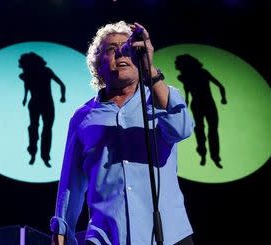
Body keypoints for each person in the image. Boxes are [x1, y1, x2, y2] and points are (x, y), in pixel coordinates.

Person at [50, 21, 195, 245]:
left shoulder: (160, 98)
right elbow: (71, 183)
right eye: (111, 49)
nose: (121, 52)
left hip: (168, 235)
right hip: (107, 237)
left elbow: (182, 128)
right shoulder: (83, 118)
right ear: (98, 65)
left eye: (127, 47)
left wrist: (151, 70)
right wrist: (61, 232)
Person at [175, 54, 227, 168]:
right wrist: (185, 107)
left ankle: (215, 157)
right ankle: (204, 155)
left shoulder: (202, 73)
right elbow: (187, 92)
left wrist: (224, 98)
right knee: (200, 131)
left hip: (207, 105)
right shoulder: (185, 77)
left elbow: (221, 86)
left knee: (211, 131)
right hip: (199, 105)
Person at [19, 52, 66, 168]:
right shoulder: (29, 74)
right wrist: (25, 97)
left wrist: (63, 96)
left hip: (44, 104)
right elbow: (27, 86)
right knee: (36, 128)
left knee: (43, 129)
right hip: (40, 104)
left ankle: (43, 156)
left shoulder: (44, 72)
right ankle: (35, 154)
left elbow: (62, 85)